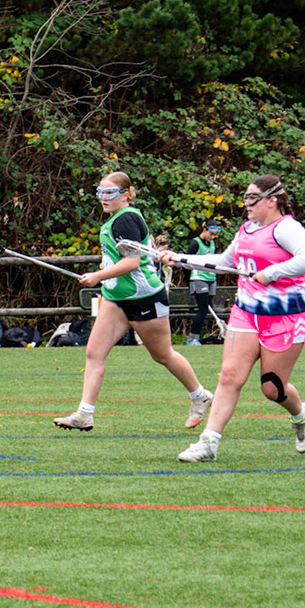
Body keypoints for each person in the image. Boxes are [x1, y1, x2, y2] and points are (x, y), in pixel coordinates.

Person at [168, 174, 305, 461]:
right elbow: (223, 264)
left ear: (272, 200)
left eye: (253, 198)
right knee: (229, 375)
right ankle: (208, 444)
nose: (247, 204)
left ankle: (302, 414)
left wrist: (272, 272)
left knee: (272, 388)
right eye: (246, 197)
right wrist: (179, 258)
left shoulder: (286, 228)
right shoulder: (246, 229)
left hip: (285, 316)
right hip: (246, 313)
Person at [54, 172, 213, 432]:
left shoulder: (126, 219)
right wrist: (105, 270)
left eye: (110, 192)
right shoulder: (116, 219)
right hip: (116, 298)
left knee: (162, 355)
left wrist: (98, 276)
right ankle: (84, 414)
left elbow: (132, 263)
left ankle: (200, 396)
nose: (103, 198)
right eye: (100, 192)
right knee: (94, 352)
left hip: (143, 298)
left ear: (126, 194)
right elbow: (121, 258)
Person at [185, 221, 222, 345]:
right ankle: (192, 338)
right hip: (199, 279)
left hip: (211, 278)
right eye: (211, 234)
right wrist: (189, 281)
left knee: (207, 309)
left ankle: (199, 338)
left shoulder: (212, 244)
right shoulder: (195, 244)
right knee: (203, 309)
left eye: (214, 235)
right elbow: (185, 262)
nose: (213, 237)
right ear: (204, 230)